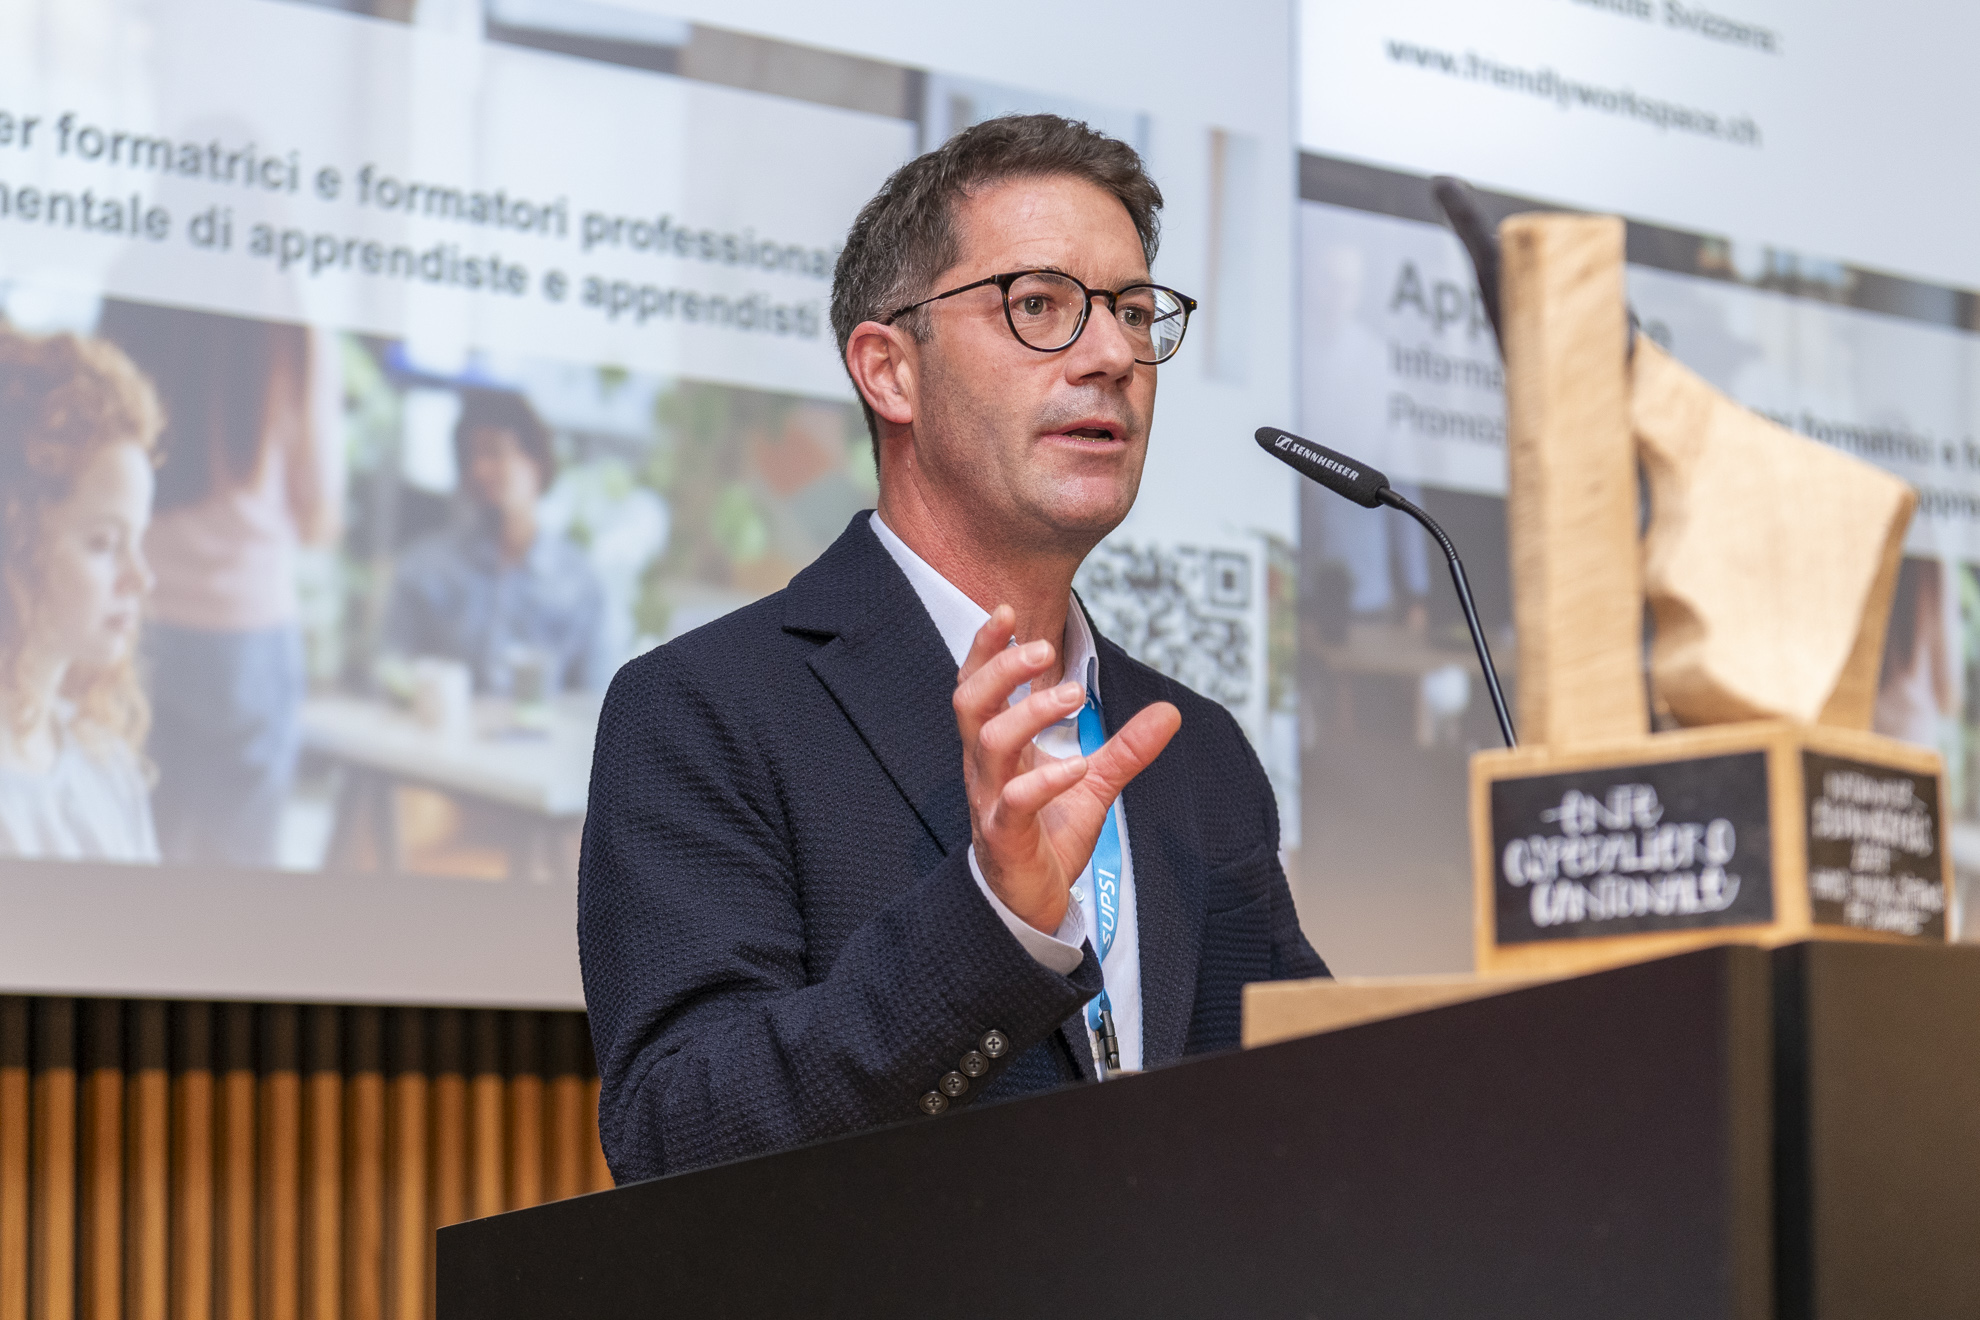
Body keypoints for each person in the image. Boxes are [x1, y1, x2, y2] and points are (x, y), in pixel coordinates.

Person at [580, 114, 1326, 1184]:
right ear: (890, 372)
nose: (1114, 355)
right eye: (1040, 306)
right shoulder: (707, 711)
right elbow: (676, 1138)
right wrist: (994, 924)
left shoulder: (1193, 750)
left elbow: (1316, 1098)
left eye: (1130, 311)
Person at [97, 302, 338, 869]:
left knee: (122, 855)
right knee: (233, 883)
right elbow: (316, 518)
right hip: (244, 639)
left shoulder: (134, 289)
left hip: (126, 623)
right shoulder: (294, 327)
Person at [0, 323, 164, 862]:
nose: (140, 579)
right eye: (103, 543)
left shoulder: (106, 767)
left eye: (137, 542)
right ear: (15, 540)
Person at [382, 389, 607, 697]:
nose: (480, 470)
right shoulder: (423, 568)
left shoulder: (581, 584)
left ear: (536, 462)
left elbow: (596, 701)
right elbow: (391, 674)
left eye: (495, 452)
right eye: (470, 458)